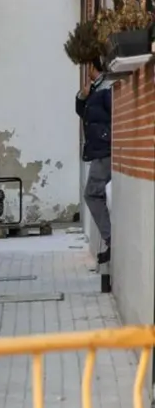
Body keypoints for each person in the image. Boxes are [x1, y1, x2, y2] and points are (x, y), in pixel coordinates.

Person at [76, 67, 112, 264]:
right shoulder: (96, 88)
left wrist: (106, 137)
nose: (87, 71)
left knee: (92, 193)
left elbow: (112, 114)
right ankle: (110, 240)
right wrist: (83, 95)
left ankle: (110, 240)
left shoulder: (106, 86)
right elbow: (82, 111)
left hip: (105, 150)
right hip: (99, 149)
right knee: (93, 194)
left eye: (90, 67)